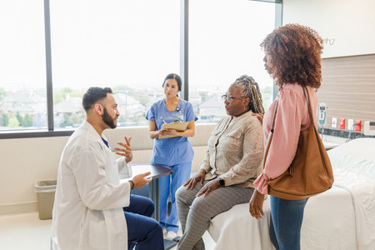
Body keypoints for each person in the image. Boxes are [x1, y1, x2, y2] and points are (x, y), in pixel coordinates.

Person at [51, 87, 164, 250]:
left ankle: (128, 242)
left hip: (97, 200)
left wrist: (125, 160)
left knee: (147, 206)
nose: (118, 112)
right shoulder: (85, 145)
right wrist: (132, 184)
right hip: (87, 218)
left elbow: (101, 171)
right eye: (114, 107)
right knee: (153, 230)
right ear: (99, 108)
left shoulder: (95, 136)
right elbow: (94, 197)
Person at [249, 24, 324, 250]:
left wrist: (261, 188)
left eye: (269, 54)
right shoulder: (306, 88)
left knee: (287, 244)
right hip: (296, 177)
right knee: (280, 239)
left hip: (285, 179)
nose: (265, 60)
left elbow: (284, 147)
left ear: (285, 56)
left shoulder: (290, 91)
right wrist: (270, 122)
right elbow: (294, 129)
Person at [176, 75, 265, 250]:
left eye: (231, 98)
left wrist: (220, 181)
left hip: (242, 186)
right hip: (216, 177)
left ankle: (182, 248)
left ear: (246, 101)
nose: (226, 102)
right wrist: (202, 170)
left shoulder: (252, 123)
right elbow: (211, 149)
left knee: (200, 204)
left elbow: (251, 162)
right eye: (225, 97)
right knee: (181, 194)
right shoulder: (224, 120)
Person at [146, 73, 197, 240]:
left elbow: (191, 131)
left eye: (173, 86)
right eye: (166, 85)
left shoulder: (186, 106)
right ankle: (159, 225)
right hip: (161, 156)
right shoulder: (155, 107)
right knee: (161, 194)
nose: (168, 89)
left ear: (179, 89)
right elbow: (151, 134)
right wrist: (159, 132)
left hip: (182, 156)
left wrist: (176, 131)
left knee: (177, 193)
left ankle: (173, 226)